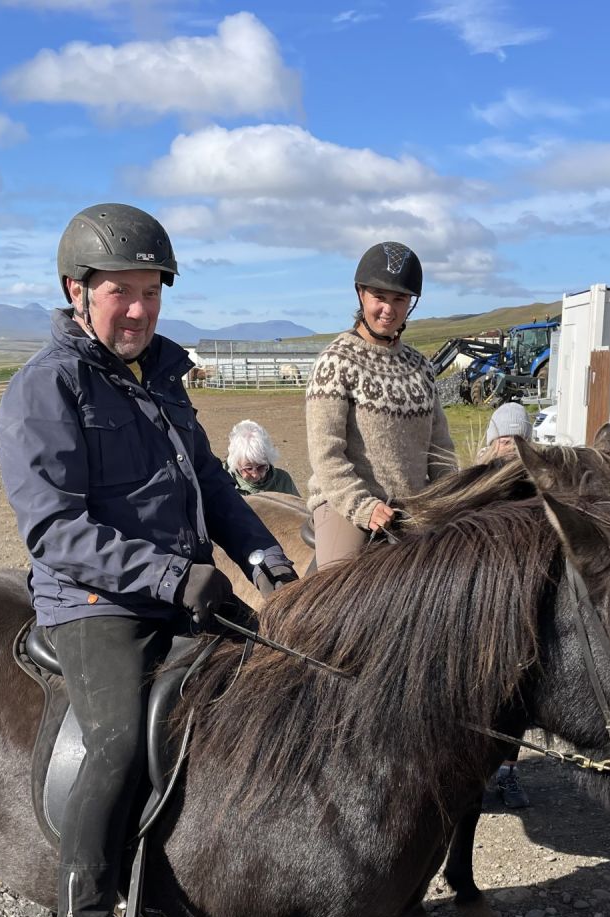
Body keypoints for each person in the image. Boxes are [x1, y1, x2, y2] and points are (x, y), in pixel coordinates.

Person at [0, 203, 297, 917]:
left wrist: (264, 557)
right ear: (77, 291)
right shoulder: (47, 387)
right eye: (120, 293)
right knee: (119, 741)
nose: (137, 309)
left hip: (179, 590)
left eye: (151, 293)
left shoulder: (161, 378)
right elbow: (55, 529)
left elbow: (213, 482)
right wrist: (171, 576)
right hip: (94, 601)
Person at [306, 241, 457, 568]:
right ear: (361, 295)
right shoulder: (335, 362)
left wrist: (450, 498)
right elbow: (325, 451)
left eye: (399, 299)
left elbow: (440, 448)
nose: (388, 309)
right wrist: (362, 505)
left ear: (410, 304)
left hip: (413, 508)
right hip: (345, 503)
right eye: (379, 297)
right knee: (339, 589)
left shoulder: (421, 368)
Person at [477, 401, 533, 806]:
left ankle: (509, 772)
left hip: (522, 605)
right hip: (484, 605)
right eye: (503, 438)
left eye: (517, 438)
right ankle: (477, 773)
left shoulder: (538, 484)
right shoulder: (476, 483)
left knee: (517, 695)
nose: (509, 445)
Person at [224, 419, 299, 497]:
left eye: (261, 467)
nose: (255, 475)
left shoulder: (282, 481)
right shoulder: (222, 480)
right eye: (249, 468)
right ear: (236, 464)